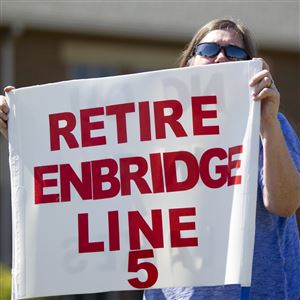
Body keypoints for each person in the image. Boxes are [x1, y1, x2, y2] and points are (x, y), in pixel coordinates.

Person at [0, 18, 299, 300]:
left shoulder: (268, 124)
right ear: (188, 65)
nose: (221, 58)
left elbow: (285, 203)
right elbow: (88, 179)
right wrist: (29, 135)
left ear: (252, 67)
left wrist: (268, 124)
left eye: (235, 53)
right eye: (208, 50)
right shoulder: (149, 132)